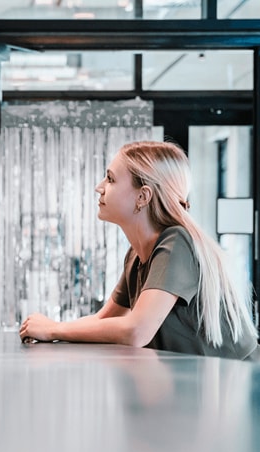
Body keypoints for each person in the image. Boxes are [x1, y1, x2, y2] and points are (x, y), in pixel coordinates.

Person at [19, 140, 259, 360]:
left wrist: (53, 329)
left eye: (110, 179)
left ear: (143, 196)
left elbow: (137, 331)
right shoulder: (136, 255)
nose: (99, 187)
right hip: (204, 386)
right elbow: (107, 319)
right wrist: (52, 328)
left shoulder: (177, 242)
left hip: (243, 384)